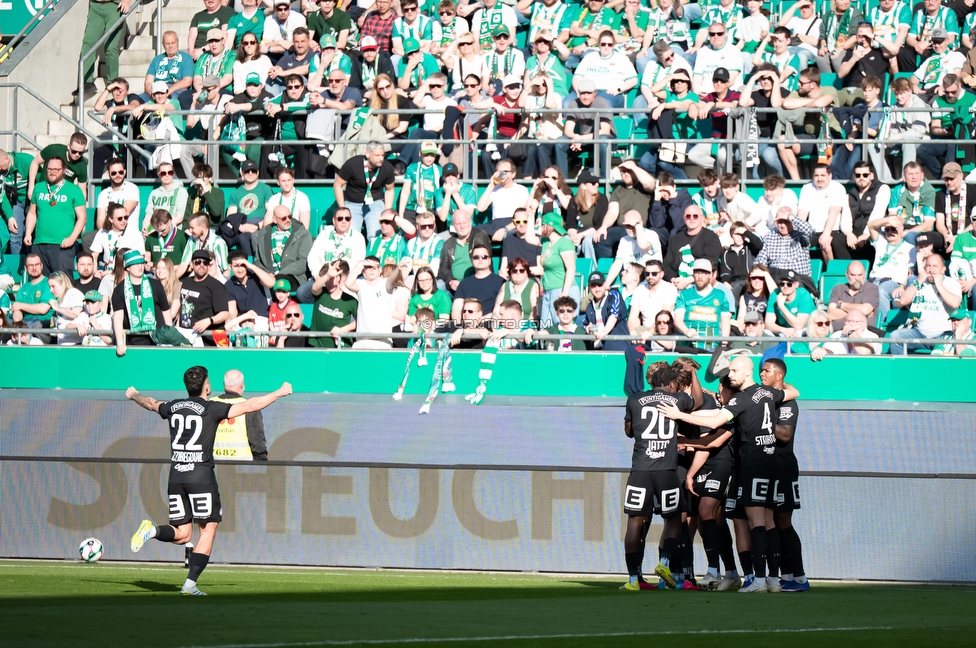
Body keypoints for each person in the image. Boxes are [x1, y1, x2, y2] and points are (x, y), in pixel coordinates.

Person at [127, 366, 291, 595]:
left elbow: (151, 403)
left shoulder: (173, 406)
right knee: (208, 529)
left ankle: (152, 531)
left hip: (176, 476)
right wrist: (279, 392)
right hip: (201, 477)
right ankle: (190, 585)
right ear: (206, 386)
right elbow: (250, 405)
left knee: (183, 533)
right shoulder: (211, 408)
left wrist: (134, 394)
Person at [660, 356, 799, 593]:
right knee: (768, 522)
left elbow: (715, 420)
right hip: (771, 461)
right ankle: (773, 580)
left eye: (734, 370)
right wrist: (781, 382)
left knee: (755, 522)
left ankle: (757, 580)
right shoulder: (767, 393)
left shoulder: (742, 398)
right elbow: (794, 391)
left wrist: (680, 416)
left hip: (753, 462)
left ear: (747, 373)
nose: (730, 374)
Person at [620, 364, 701, 591]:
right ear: (671, 384)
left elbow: (628, 432)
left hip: (640, 471)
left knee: (635, 522)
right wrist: (693, 375)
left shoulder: (634, 399)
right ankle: (664, 562)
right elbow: (697, 400)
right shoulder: (678, 400)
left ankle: (633, 579)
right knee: (674, 519)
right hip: (667, 471)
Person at [758, 358, 810, 593]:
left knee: (783, 522)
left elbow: (785, 435)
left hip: (782, 467)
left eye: (766, 371)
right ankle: (784, 575)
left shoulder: (788, 403)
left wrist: (761, 421)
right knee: (770, 523)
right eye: (760, 370)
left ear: (779, 375)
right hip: (764, 468)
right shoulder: (764, 399)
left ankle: (799, 577)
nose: (762, 374)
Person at [24, 156, 86, 275]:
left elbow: (82, 217)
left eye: (56, 169)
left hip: (62, 244)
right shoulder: (39, 187)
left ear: (63, 170)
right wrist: (28, 233)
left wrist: (72, 238)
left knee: (62, 281)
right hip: (39, 243)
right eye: (49, 169)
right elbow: (32, 213)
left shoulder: (73, 189)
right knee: (42, 284)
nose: (52, 172)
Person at [890, 253, 961, 353]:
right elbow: (903, 301)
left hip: (943, 334)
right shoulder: (919, 282)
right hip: (920, 333)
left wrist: (939, 284)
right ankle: (901, 368)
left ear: (943, 269)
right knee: (895, 336)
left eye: (935, 266)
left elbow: (955, 303)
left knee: (943, 350)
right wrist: (918, 281)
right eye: (928, 266)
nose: (931, 270)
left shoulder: (952, 283)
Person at [111, 249, 173, 355]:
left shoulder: (156, 285)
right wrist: (120, 343)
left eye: (141, 263)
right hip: (132, 341)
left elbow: (166, 312)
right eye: (135, 264)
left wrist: (170, 337)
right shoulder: (119, 289)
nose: (140, 266)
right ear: (128, 268)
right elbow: (118, 318)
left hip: (157, 341)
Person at [334, 142, 396, 242]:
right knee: (350, 235)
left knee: (375, 235)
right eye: (377, 155)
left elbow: (390, 190)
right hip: (352, 202)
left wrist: (387, 212)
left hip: (375, 202)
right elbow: (337, 185)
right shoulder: (353, 164)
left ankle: (373, 255)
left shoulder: (387, 167)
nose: (381, 158)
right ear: (368, 154)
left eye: (382, 155)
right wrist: (342, 208)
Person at [210, 370, 269, 461]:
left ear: (224, 384)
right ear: (241, 385)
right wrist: (262, 461)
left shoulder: (209, 404)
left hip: (213, 464)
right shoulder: (250, 407)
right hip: (241, 467)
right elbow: (256, 439)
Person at [673, 258, 732, 348]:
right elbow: (677, 319)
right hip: (688, 345)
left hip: (712, 346)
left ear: (711, 275)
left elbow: (725, 321)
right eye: (697, 272)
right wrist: (686, 331)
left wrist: (724, 343)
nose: (700, 276)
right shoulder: (684, 294)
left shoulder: (720, 295)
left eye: (704, 273)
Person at [866, 215, 915, 322]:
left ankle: (882, 324)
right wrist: (887, 220)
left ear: (901, 229)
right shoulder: (881, 242)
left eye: (893, 229)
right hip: (873, 280)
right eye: (887, 229)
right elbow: (870, 226)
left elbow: (910, 273)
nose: (890, 232)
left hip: (893, 282)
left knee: (881, 290)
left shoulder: (909, 248)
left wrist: (903, 286)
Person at [75, 0, 128, 98]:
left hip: (114, 6)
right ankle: (88, 82)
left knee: (110, 46)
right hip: (95, 6)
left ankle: (113, 82)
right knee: (88, 42)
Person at [661, 205, 723, 289]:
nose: (691, 218)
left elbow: (710, 263)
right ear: (684, 218)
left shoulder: (711, 237)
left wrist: (689, 280)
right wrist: (672, 279)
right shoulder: (675, 239)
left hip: (701, 284)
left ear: (702, 218)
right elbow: (667, 263)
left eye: (695, 216)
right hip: (676, 283)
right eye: (688, 216)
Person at [345, 256, 401, 348]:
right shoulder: (360, 284)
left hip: (383, 341)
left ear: (380, 270)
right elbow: (348, 283)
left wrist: (398, 269)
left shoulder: (385, 283)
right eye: (368, 267)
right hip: (362, 340)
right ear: (363, 271)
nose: (372, 269)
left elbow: (392, 280)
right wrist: (360, 264)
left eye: (375, 267)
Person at [253, 205, 313, 289]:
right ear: (274, 219)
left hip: (293, 275)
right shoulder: (263, 234)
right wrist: (266, 274)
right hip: (268, 275)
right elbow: (258, 261)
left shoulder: (302, 234)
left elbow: (303, 262)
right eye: (284, 218)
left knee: (280, 282)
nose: (288, 220)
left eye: (290, 217)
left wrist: (279, 274)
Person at [536, 212, 578, 328]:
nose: (540, 227)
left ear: (549, 226)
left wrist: (565, 292)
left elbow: (571, 268)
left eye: (542, 224)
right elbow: (529, 237)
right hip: (548, 290)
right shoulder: (546, 242)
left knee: (562, 328)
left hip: (561, 289)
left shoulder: (564, 243)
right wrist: (530, 214)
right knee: (545, 328)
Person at [179, 249, 230, 343]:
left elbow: (225, 314)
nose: (202, 265)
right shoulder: (186, 282)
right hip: (186, 335)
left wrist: (209, 320)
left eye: (205, 262)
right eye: (198, 262)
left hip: (206, 338)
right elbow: (181, 306)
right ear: (191, 264)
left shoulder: (216, 286)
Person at [437, 209, 492, 293]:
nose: (462, 226)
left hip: (476, 281)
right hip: (454, 285)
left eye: (464, 223)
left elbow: (484, 264)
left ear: (470, 222)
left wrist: (468, 282)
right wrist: (451, 281)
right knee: (437, 286)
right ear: (453, 226)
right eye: (458, 224)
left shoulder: (480, 236)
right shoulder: (448, 243)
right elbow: (443, 268)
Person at [475, 159, 531, 238]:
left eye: (505, 172)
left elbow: (525, 216)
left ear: (513, 174)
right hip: (495, 224)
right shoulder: (494, 189)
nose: (501, 174)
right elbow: (480, 208)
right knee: (474, 232)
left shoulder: (521, 190)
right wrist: (491, 185)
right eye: (499, 172)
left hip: (513, 224)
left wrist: (504, 229)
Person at [309, 260, 358, 348]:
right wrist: (328, 275)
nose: (329, 282)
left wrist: (342, 329)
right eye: (327, 280)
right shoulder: (321, 294)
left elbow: (359, 321)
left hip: (340, 346)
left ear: (339, 278)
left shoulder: (350, 300)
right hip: (318, 345)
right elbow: (314, 288)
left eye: (332, 278)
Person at [755, 207, 814, 279]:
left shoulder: (800, 234)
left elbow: (809, 230)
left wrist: (790, 217)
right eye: (780, 222)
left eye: (786, 221)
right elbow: (761, 258)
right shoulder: (770, 237)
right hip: (776, 279)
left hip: (798, 278)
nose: (782, 225)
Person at [451, 243, 505, 320]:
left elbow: (502, 309)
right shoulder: (464, 283)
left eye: (484, 257)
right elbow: (456, 307)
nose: (480, 259)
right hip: (467, 326)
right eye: (476, 257)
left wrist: (482, 320)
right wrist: (458, 325)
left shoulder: (501, 282)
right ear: (472, 261)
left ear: (489, 260)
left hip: (490, 323)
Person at [887, 161, 936, 243]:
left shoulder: (929, 191)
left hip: (921, 228)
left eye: (917, 173)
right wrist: (898, 226)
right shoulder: (898, 190)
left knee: (910, 237)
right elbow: (892, 215)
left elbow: (928, 225)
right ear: (904, 177)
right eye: (910, 174)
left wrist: (907, 233)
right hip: (900, 226)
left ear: (922, 176)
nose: (914, 177)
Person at [628, 260, 678, 335]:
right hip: (644, 330)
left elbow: (664, 317)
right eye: (647, 274)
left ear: (661, 274)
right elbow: (632, 317)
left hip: (663, 330)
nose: (650, 276)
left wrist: (648, 334)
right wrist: (632, 331)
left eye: (654, 274)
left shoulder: (670, 289)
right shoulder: (639, 289)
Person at [826, 261, 879, 331]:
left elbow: (865, 310)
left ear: (865, 274)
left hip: (862, 334)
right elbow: (830, 314)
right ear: (847, 274)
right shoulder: (838, 289)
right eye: (853, 275)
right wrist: (860, 312)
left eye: (860, 275)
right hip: (838, 334)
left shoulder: (872, 288)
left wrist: (841, 305)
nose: (857, 278)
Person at [144, 31, 194, 105]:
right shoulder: (156, 59)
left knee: (171, 100)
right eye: (167, 43)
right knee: (138, 99)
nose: (170, 46)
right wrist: (152, 94)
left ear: (178, 42)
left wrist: (167, 92)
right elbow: (148, 82)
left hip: (176, 90)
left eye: (173, 43)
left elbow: (187, 81)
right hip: (156, 90)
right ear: (163, 45)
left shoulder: (186, 58)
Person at [765, 269, 816, 337]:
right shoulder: (775, 294)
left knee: (797, 333)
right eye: (782, 284)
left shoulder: (804, 295)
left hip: (806, 330)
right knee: (766, 332)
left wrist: (781, 306)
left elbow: (799, 325)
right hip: (785, 330)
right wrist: (783, 330)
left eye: (789, 284)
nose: (785, 286)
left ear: (797, 284)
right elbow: (768, 323)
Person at [811, 309, 881, 359]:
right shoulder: (837, 335)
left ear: (864, 325)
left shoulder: (872, 336)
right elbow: (828, 350)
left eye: (855, 321)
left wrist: (850, 332)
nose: (850, 324)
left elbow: (865, 353)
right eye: (848, 321)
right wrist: (820, 351)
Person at [179, 212, 230, 277]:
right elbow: (183, 264)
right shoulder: (192, 240)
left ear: (202, 227)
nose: (190, 230)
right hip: (196, 278)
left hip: (214, 281)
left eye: (192, 228)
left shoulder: (218, 243)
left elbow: (226, 271)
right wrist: (172, 283)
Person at [144, 163, 189, 234]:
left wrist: (161, 229)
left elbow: (179, 217)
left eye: (170, 172)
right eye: (163, 173)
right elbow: (148, 216)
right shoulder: (154, 193)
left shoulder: (181, 191)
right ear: (158, 174)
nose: (167, 175)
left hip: (173, 232)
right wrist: (145, 229)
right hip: (155, 231)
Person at [499, 209, 541, 279]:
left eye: (525, 221)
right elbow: (503, 268)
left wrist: (518, 271)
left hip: (531, 278)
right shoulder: (508, 240)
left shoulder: (538, 240)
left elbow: (540, 269)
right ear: (514, 223)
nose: (521, 224)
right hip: (512, 278)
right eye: (518, 221)